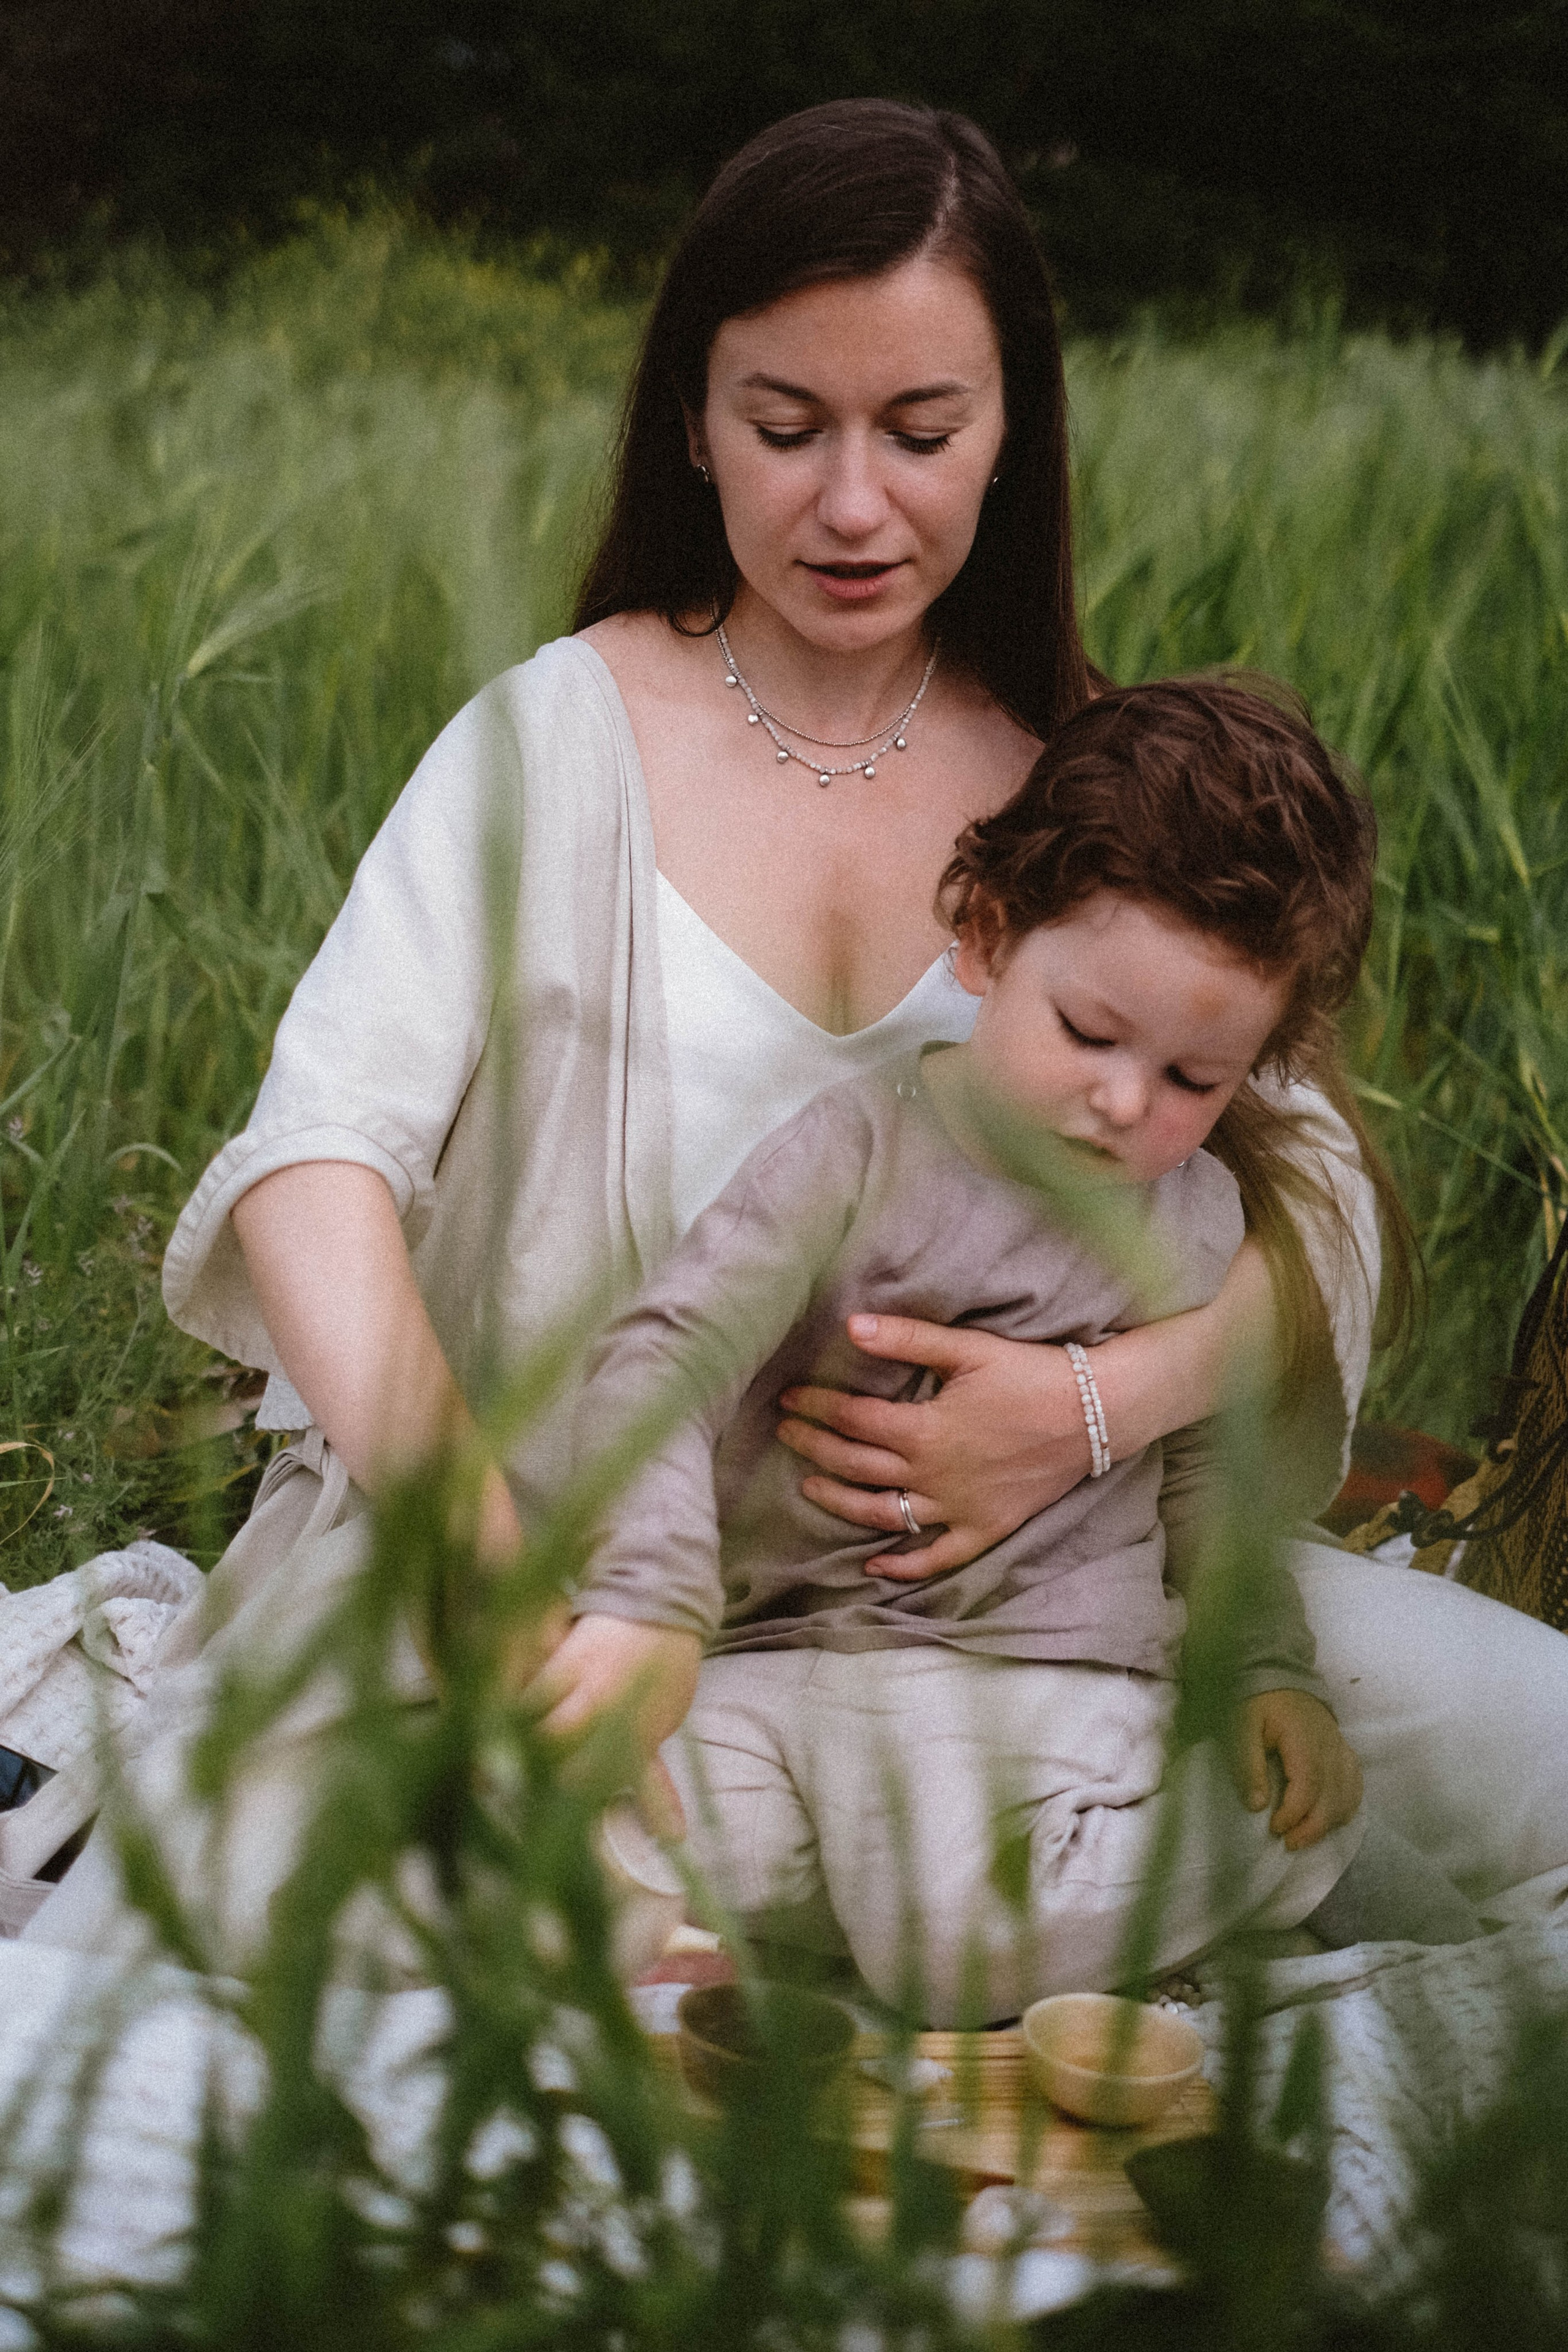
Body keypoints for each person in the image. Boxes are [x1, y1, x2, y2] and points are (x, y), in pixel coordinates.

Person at [21, 100, 1568, 1970]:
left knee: (1529, 1744)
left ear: (1011, 434)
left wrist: (1079, 1415)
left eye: (923, 433)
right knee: (268, 1861)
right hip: (586, 1573)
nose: (854, 503)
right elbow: (311, 1171)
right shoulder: (554, 741)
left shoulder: (1088, 771)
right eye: (787, 427)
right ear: (693, 420)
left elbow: (1320, 1199)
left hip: (1028, 1608)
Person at [567, 676, 1482, 2020]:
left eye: (1191, 1080)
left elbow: (1204, 1488)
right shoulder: (855, 1156)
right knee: (559, 1836)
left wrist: (1262, 1673)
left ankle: (1280, 1847)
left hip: (1016, 1677)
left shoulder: (1191, 1219)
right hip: (779, 1655)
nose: (1122, 1105)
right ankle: (1023, 1905)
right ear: (986, 936)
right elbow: (665, 1354)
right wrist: (643, 1601)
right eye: (1088, 1034)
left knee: (950, 1944)